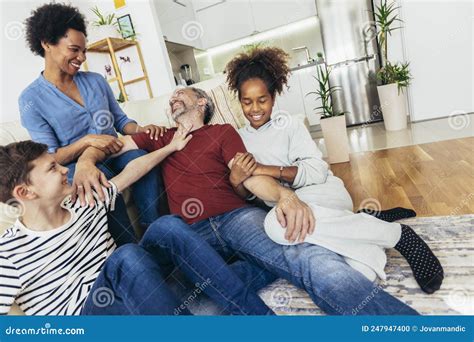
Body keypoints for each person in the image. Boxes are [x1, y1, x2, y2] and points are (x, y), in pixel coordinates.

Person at [80, 86, 420, 315]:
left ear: (202, 104)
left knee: (303, 256)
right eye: (170, 98)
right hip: (190, 235)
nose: (172, 100)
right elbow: (110, 145)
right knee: (182, 297)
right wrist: (85, 160)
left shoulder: (221, 132)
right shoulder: (160, 137)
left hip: (236, 218)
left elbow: (251, 174)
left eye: (179, 94)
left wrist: (285, 196)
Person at [224, 46, 444, 294]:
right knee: (361, 275)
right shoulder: (237, 140)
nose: (255, 108)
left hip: (321, 192)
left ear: (273, 97)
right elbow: (249, 195)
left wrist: (266, 169)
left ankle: (400, 236)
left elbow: (316, 171)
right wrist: (236, 181)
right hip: (293, 207)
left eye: (262, 100)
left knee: (275, 224)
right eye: (247, 101)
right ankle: (364, 222)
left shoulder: (290, 125)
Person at [0, 135, 272, 316]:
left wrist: (171, 147)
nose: (63, 169)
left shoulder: (84, 201)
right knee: (126, 257)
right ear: (26, 193)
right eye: (51, 168)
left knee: (168, 227)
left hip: (142, 295)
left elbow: (132, 171)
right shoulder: (8, 252)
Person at [19, 3, 165, 244]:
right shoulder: (31, 99)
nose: (82, 58)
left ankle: (156, 235)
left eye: (84, 51)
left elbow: (120, 120)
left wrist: (139, 130)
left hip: (115, 152)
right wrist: (87, 141)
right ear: (46, 43)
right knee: (95, 182)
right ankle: (130, 251)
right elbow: (51, 157)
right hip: (77, 165)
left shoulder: (96, 81)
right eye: (74, 50)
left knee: (143, 158)